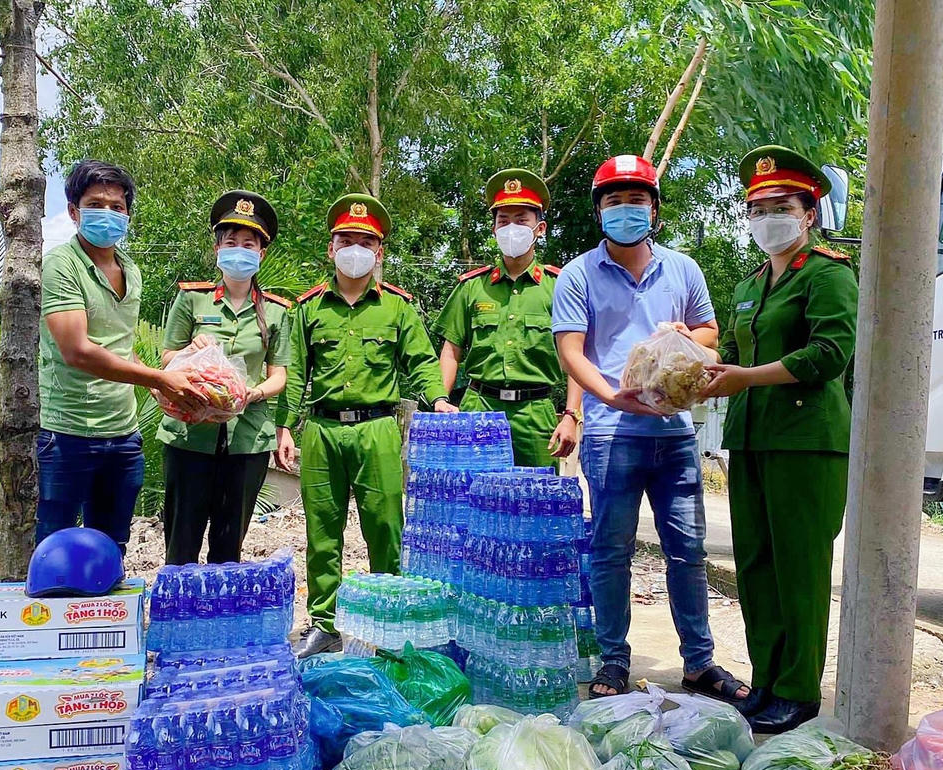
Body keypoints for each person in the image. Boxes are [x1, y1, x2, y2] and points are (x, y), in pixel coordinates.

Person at [552, 153, 750, 703]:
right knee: (610, 550)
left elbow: (710, 333)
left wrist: (689, 335)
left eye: (636, 200)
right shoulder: (577, 275)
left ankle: (699, 663)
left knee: (687, 552)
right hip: (612, 435)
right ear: (599, 213)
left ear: (655, 210)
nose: (625, 210)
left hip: (676, 436)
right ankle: (612, 661)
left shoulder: (683, 270)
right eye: (614, 201)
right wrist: (613, 396)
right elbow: (572, 352)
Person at [701, 145, 858, 734]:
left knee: (800, 567)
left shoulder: (828, 274)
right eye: (758, 207)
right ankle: (766, 680)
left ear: (809, 212)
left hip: (806, 441)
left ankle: (798, 689)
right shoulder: (748, 285)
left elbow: (828, 354)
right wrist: (687, 367)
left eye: (781, 205)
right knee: (756, 565)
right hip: (752, 438)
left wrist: (746, 378)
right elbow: (735, 358)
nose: (768, 216)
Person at [273, 194, 457, 658]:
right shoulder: (309, 308)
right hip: (322, 429)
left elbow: (419, 359)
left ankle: (389, 621)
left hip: (377, 429)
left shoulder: (397, 308)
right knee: (322, 533)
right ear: (331, 248)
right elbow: (295, 371)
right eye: (346, 239)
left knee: (385, 528)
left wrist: (438, 398)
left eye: (365, 241)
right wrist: (284, 427)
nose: (355, 248)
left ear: (378, 253)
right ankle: (324, 623)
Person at [38, 159, 205, 553]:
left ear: (128, 213)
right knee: (53, 549)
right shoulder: (62, 265)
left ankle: (105, 615)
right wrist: (158, 379)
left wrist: (176, 367)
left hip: (122, 433)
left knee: (112, 545)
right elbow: (78, 350)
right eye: (97, 204)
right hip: (68, 434)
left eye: (117, 206)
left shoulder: (130, 269)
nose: (108, 213)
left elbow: (118, 344)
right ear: (74, 211)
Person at [157, 190, 292, 565]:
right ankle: (180, 618)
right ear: (217, 250)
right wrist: (191, 353)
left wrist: (253, 393)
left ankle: (218, 618)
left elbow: (279, 373)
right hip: (189, 435)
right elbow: (167, 356)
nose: (239, 250)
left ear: (261, 254)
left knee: (229, 543)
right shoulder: (192, 299)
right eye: (231, 242)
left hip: (247, 438)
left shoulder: (278, 312)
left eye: (249, 244)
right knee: (181, 538)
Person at [434, 168, 581, 467]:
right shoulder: (472, 287)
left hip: (536, 413)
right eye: (503, 221)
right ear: (494, 230)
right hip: (479, 406)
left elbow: (576, 357)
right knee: (473, 497)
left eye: (521, 220)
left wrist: (571, 416)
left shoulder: (559, 287)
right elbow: (451, 350)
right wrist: (440, 400)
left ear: (539, 228)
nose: (511, 227)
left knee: (537, 502)